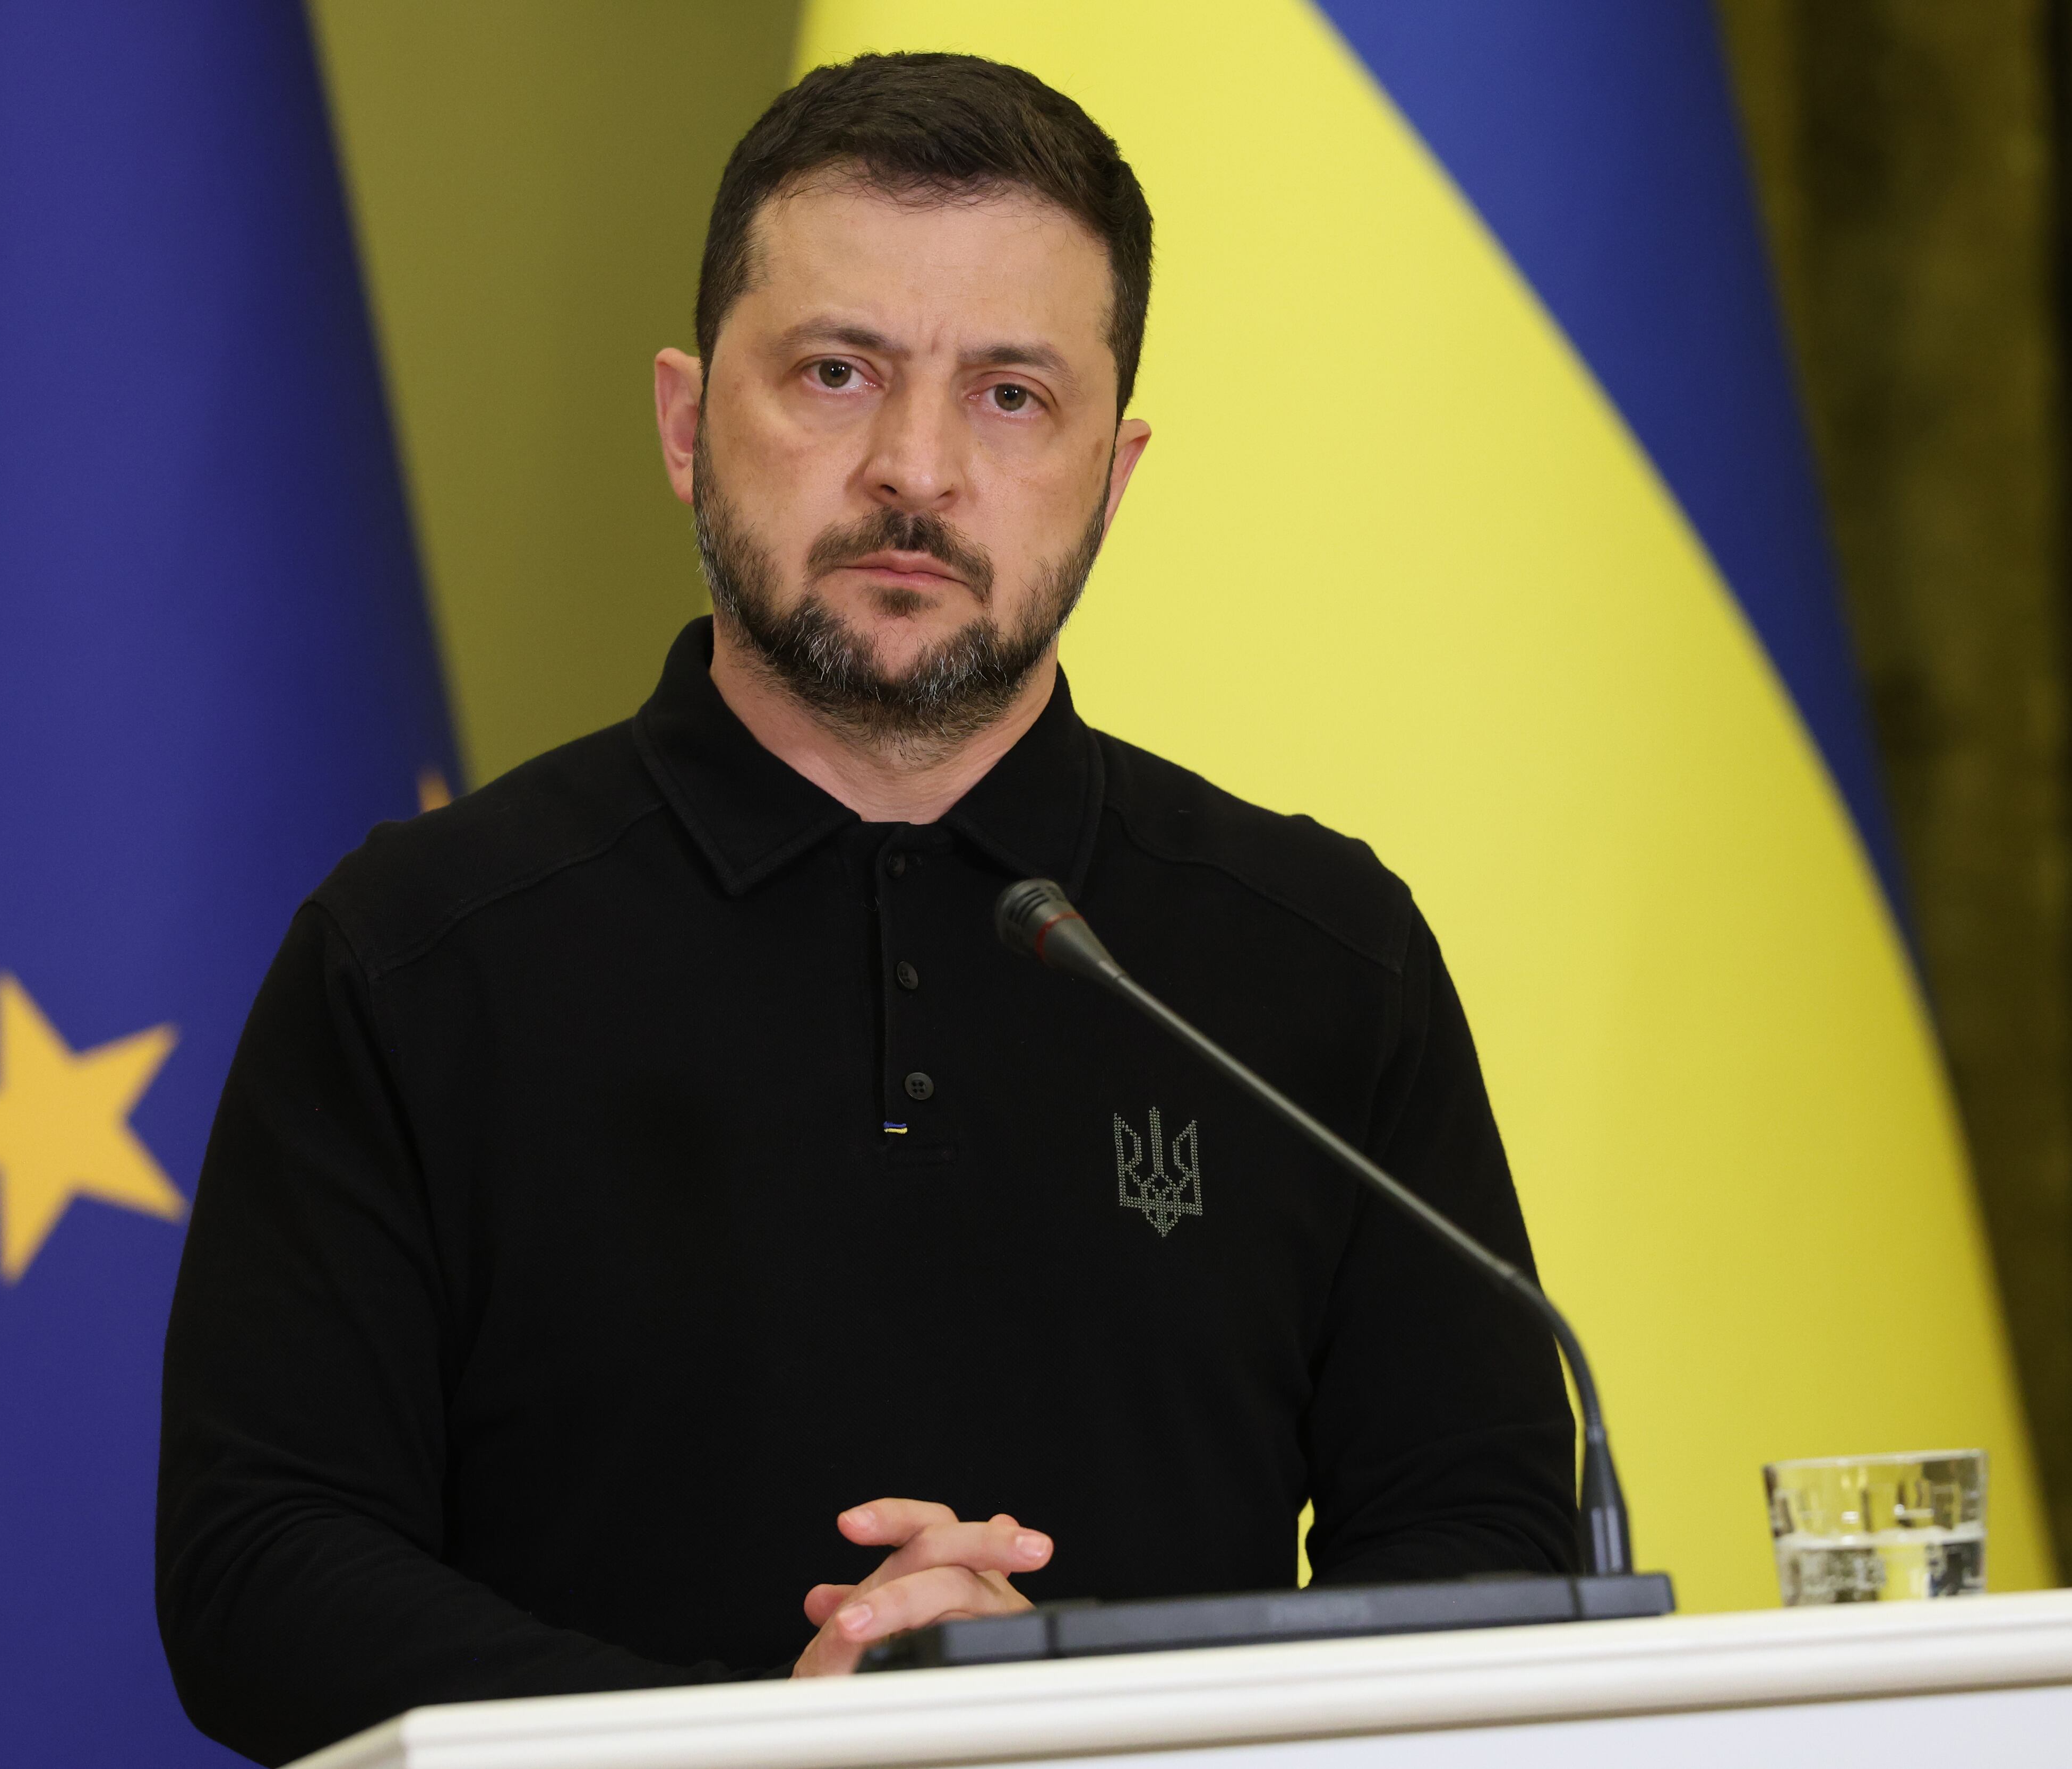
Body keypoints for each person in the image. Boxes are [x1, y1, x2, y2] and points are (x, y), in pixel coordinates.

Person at [157, 50, 1576, 1765]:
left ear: (1114, 474)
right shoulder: (415, 953)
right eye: (838, 374)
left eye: (1010, 397)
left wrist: (1097, 1711)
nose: (916, 468)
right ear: (685, 422)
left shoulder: (1320, 960)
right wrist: (755, 1749)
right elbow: (262, 1570)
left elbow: (1490, 1544)